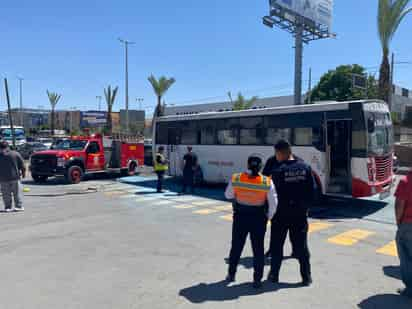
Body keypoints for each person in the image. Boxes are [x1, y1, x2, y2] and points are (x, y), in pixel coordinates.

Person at [225, 156, 278, 289]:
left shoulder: (236, 178)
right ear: (261, 166)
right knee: (258, 249)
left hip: (240, 217)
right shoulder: (267, 181)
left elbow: (228, 195)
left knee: (236, 246)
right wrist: (269, 216)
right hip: (258, 218)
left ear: (247, 165)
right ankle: (257, 280)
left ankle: (231, 274)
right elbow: (274, 203)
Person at [268, 140, 315, 286]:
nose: (276, 157)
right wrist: (305, 208)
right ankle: (306, 277)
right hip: (299, 215)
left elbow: (271, 195)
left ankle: (274, 275)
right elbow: (312, 192)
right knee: (301, 247)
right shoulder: (305, 168)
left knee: (277, 246)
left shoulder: (277, 171)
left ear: (281, 153)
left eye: (276, 153)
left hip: (280, 215)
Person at [263, 147, 303, 259]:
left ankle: (296, 251)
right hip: (278, 202)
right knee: (277, 231)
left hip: (291, 203)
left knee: (292, 230)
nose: (276, 155)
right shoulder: (272, 161)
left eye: (277, 153)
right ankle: (273, 250)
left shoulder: (298, 162)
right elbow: (265, 178)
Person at [394, 170, 412, 298]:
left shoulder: (406, 181)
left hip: (408, 226)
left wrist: (399, 223)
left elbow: (399, 205)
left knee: (406, 259)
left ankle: (410, 289)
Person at [0, 141, 26, 212]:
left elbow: (22, 165)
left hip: (7, 178)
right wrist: (23, 174)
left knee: (8, 194)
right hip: (11, 178)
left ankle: (10, 207)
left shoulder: (14, 154)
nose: (2, 150)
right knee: (14, 193)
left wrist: (23, 173)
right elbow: (22, 165)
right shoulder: (15, 154)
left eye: (2, 148)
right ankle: (15, 206)